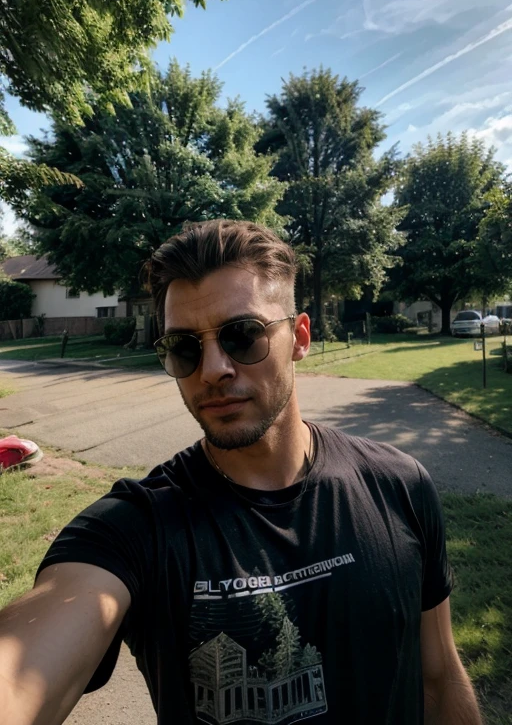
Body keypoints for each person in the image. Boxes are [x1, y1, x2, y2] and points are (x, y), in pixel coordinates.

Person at [0, 219, 483, 725]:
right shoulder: (136, 528)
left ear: (299, 337)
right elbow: (25, 670)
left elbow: (440, 676)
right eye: (184, 347)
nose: (212, 369)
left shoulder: (400, 486)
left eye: (243, 335)